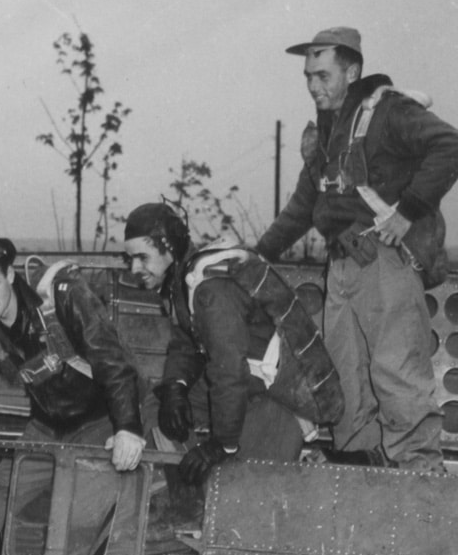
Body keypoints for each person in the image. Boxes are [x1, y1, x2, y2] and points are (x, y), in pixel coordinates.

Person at [254, 27, 458, 472]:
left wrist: (408, 210)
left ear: (352, 71)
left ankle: (421, 481)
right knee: (345, 380)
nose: (314, 87)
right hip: (341, 270)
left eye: (323, 75)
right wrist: (258, 254)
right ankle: (361, 473)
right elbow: (303, 206)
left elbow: (454, 147)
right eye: (308, 77)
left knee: (397, 375)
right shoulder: (326, 136)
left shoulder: (388, 112)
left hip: (384, 263)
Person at [0, 227, 144, 555]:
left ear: (10, 275)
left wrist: (127, 428)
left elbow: (112, 361)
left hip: (100, 422)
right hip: (46, 428)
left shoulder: (61, 295)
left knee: (82, 515)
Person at [122, 202, 343, 488]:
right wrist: (176, 386)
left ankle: (209, 481)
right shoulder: (183, 280)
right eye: (130, 259)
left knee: (244, 497)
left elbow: (229, 373)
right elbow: (186, 339)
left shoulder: (211, 291)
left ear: (169, 247)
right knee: (158, 401)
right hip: (246, 383)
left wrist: (221, 444)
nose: (134, 268)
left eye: (142, 257)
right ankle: (183, 489)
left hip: (279, 395)